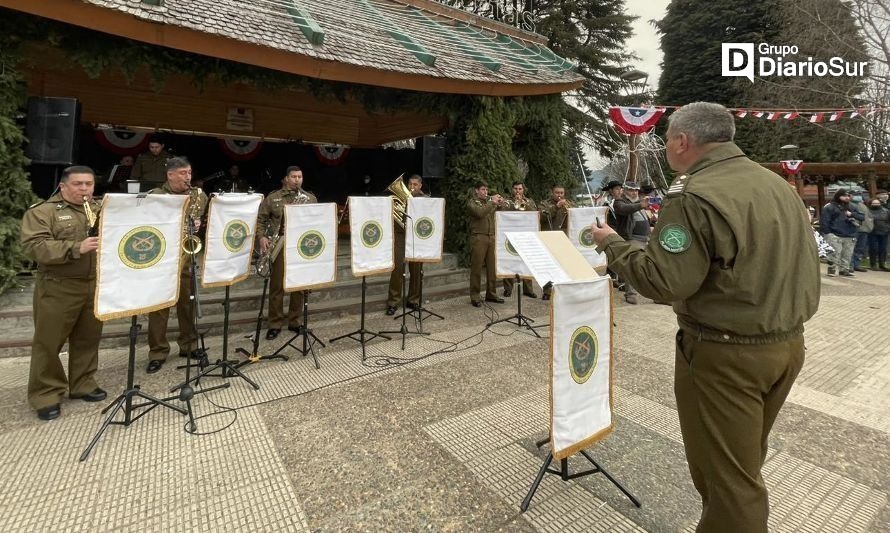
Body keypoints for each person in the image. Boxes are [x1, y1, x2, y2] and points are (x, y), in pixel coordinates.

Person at [591, 102, 820, 532]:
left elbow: (664, 281)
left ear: (682, 141)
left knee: (730, 483)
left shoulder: (695, 193)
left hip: (726, 355)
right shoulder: (775, 185)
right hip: (786, 344)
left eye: (667, 141)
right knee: (742, 460)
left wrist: (611, 244)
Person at [21, 165, 107, 420]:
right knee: (49, 343)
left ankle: (83, 384)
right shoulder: (44, 212)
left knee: (88, 338)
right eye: (78, 184)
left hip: (93, 284)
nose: (84, 189)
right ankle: (46, 394)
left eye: (89, 184)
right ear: (63, 186)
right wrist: (75, 247)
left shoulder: (99, 209)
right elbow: (34, 247)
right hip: (59, 286)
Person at [145, 157, 208, 373]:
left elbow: (198, 218)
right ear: (170, 175)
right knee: (160, 308)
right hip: (162, 258)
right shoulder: (156, 196)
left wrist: (196, 225)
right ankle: (158, 351)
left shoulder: (198, 196)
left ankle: (189, 345)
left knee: (188, 303)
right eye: (182, 173)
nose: (187, 177)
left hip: (186, 255)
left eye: (189, 173)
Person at [257, 166, 317, 339]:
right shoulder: (273, 198)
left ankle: (295, 321)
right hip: (280, 246)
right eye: (293, 176)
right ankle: (275, 323)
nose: (297, 179)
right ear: (285, 178)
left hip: (301, 247)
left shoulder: (310, 198)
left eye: (300, 176)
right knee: (277, 286)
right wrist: (261, 237)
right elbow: (261, 219)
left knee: (299, 286)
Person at [386, 174, 425, 315]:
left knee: (416, 271)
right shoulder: (400, 198)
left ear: (420, 186)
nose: (412, 187)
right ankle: (392, 302)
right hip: (401, 236)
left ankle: (413, 300)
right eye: (410, 184)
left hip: (415, 238)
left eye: (415, 185)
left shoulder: (424, 199)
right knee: (397, 270)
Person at [612, 181, 652, 304]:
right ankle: (630, 294)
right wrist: (641, 205)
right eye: (630, 190)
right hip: (632, 238)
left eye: (635, 190)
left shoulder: (639, 202)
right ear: (625, 190)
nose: (634, 192)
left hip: (645, 238)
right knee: (632, 266)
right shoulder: (619, 202)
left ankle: (655, 295)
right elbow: (625, 210)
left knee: (650, 267)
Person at [467, 181, 506, 307]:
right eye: (483, 189)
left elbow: (501, 211)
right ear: (476, 190)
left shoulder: (489, 202)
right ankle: (475, 296)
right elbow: (480, 213)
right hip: (478, 237)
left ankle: (491, 294)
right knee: (477, 268)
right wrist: (492, 202)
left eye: (486, 190)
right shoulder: (472, 202)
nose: (485, 192)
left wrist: (501, 203)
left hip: (491, 237)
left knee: (492, 268)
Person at [501, 181, 538, 299]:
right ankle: (508, 289)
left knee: (527, 261)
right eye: (516, 189)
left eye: (520, 189)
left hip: (525, 235)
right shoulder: (507, 202)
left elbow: (534, 213)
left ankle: (528, 289)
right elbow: (502, 212)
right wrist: (515, 204)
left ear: (523, 190)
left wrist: (522, 203)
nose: (518, 191)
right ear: (512, 190)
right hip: (510, 234)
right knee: (509, 260)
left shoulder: (529, 201)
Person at [539, 184, 573, 300]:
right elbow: (542, 217)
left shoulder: (569, 203)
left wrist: (568, 209)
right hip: (548, 237)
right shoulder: (544, 204)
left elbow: (574, 219)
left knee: (563, 266)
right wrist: (556, 207)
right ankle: (547, 291)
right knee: (548, 267)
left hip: (563, 239)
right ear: (552, 193)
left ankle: (562, 289)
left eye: (561, 193)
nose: (559, 195)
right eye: (557, 193)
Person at [820, 189, 864, 277]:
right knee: (835, 253)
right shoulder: (829, 207)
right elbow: (824, 220)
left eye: (848, 196)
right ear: (838, 196)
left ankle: (844, 270)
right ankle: (832, 269)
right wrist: (827, 233)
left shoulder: (853, 206)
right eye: (844, 196)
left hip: (850, 233)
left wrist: (851, 214)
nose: (847, 198)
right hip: (834, 234)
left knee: (847, 254)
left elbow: (862, 217)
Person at [850, 194, 872, 271]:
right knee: (851, 248)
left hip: (864, 230)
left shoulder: (863, 206)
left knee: (860, 248)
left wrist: (870, 227)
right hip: (854, 230)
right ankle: (850, 265)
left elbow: (868, 217)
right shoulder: (849, 205)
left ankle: (857, 264)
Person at [868, 198, 889, 270]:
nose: (876, 205)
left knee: (883, 249)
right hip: (872, 232)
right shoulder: (868, 211)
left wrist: (888, 228)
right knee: (873, 248)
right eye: (874, 203)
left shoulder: (886, 211)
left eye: (877, 203)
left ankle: (882, 264)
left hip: (884, 232)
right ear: (871, 204)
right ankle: (873, 264)